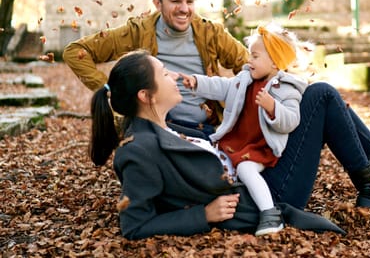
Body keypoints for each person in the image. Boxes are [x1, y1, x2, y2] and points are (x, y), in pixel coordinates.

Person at [64, 0, 370, 230]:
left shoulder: (207, 32)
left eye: (190, 1)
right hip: (246, 179)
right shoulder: (142, 126)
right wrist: (116, 94)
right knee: (324, 99)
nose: (184, 8)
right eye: (175, 1)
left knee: (319, 98)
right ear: (157, 3)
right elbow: (138, 220)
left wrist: (282, 77)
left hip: (212, 131)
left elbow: (245, 67)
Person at [90, 50, 345, 239]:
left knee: (315, 97)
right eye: (164, 74)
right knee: (321, 95)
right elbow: (135, 225)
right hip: (267, 198)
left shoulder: (166, 126)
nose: (173, 77)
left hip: (258, 172)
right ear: (146, 96)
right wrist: (203, 215)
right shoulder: (138, 151)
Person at [180, 23, 308, 236]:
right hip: (236, 142)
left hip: (259, 147)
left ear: (275, 62)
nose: (249, 60)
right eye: (250, 55)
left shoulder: (287, 89)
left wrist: (272, 107)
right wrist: (197, 83)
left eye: (255, 56)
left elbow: (291, 120)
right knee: (212, 160)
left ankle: (270, 214)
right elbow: (221, 85)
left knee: (245, 170)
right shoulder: (245, 78)